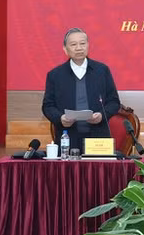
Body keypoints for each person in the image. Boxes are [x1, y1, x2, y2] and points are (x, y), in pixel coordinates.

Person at [42, 28, 120, 156]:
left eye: (83, 43)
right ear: (65, 49)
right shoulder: (55, 75)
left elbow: (114, 102)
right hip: (67, 139)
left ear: (88, 45)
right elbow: (48, 106)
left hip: (98, 140)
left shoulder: (102, 71)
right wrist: (60, 118)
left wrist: (101, 115)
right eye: (73, 44)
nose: (79, 48)